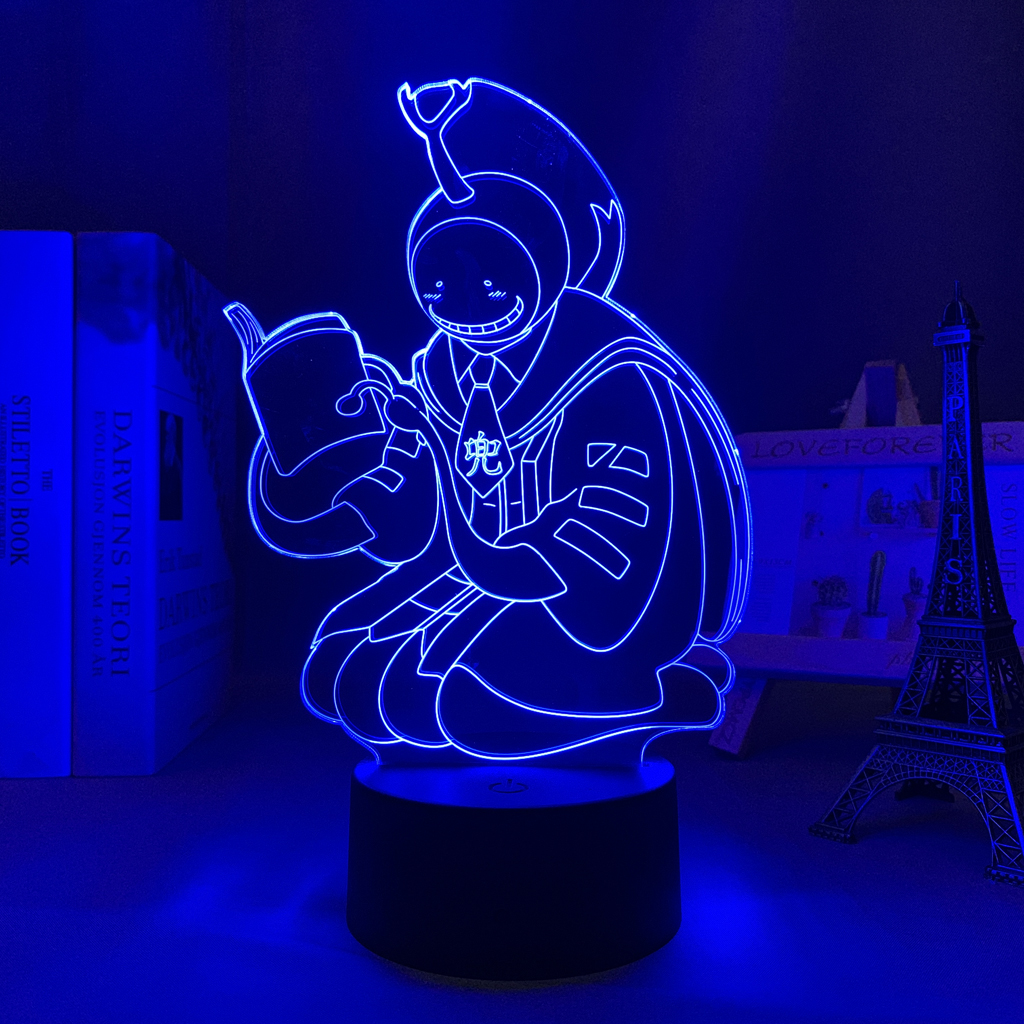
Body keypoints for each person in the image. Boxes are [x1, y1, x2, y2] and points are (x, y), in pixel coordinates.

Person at [225, 79, 750, 764]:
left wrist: (493, 561)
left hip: (592, 602)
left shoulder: (611, 375)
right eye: (440, 289)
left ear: (546, 263)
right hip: (486, 569)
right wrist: (320, 439)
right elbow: (415, 523)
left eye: (493, 286)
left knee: (448, 697)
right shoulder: (442, 377)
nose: (466, 309)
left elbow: (614, 540)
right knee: (342, 670)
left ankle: (652, 692)